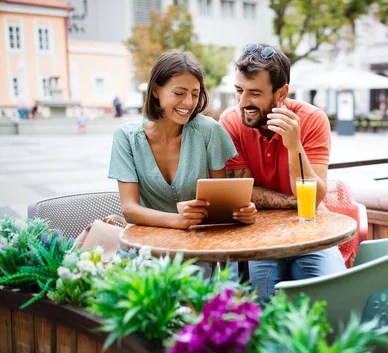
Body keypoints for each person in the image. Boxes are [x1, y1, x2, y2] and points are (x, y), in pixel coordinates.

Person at [219, 43, 346, 305]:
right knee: (260, 301)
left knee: (335, 298)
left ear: (282, 93)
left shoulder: (312, 119)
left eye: (254, 93)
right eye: (239, 91)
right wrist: (296, 200)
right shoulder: (231, 122)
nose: (243, 102)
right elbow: (242, 193)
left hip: (310, 232)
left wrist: (293, 144)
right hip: (259, 235)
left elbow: (316, 196)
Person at [108, 49, 257, 233]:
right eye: (179, 93)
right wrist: (178, 220)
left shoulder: (209, 131)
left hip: (198, 243)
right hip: (145, 245)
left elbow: (221, 203)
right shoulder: (126, 137)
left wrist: (241, 211)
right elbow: (130, 210)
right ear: (155, 90)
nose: (188, 103)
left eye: (195, 94)